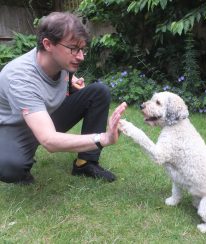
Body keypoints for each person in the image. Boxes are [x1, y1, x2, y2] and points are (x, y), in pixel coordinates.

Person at [0, 12, 127, 185]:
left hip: (44, 115)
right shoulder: (20, 77)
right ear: (48, 44)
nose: (80, 56)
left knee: (98, 92)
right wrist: (103, 138)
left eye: (82, 49)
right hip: (14, 128)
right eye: (74, 49)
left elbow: (63, 80)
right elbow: (49, 141)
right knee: (10, 167)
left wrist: (71, 85)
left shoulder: (62, 62)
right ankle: (18, 158)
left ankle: (85, 163)